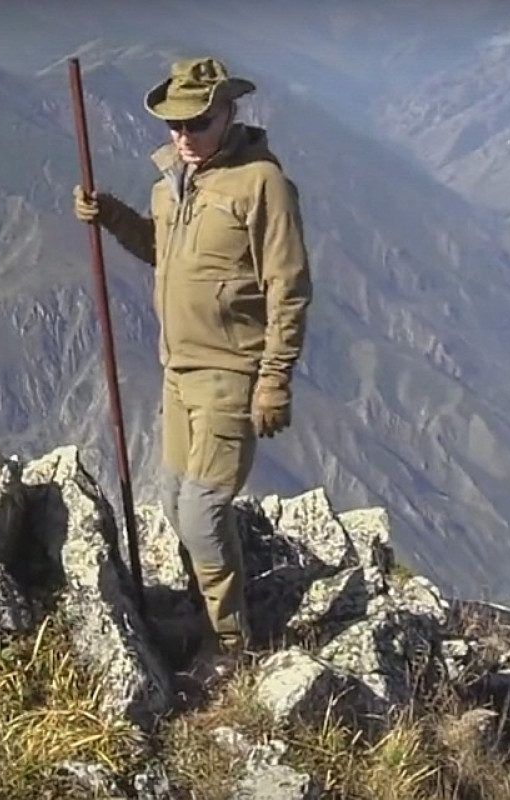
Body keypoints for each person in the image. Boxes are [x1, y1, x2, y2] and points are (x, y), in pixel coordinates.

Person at [73, 57, 312, 678]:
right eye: (174, 124)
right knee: (177, 502)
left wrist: (274, 380)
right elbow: (165, 252)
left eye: (197, 122)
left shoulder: (261, 185)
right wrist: (114, 217)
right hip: (177, 372)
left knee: (203, 510)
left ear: (228, 113)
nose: (183, 135)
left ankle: (229, 646)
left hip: (231, 373)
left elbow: (288, 288)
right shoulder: (173, 185)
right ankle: (203, 616)